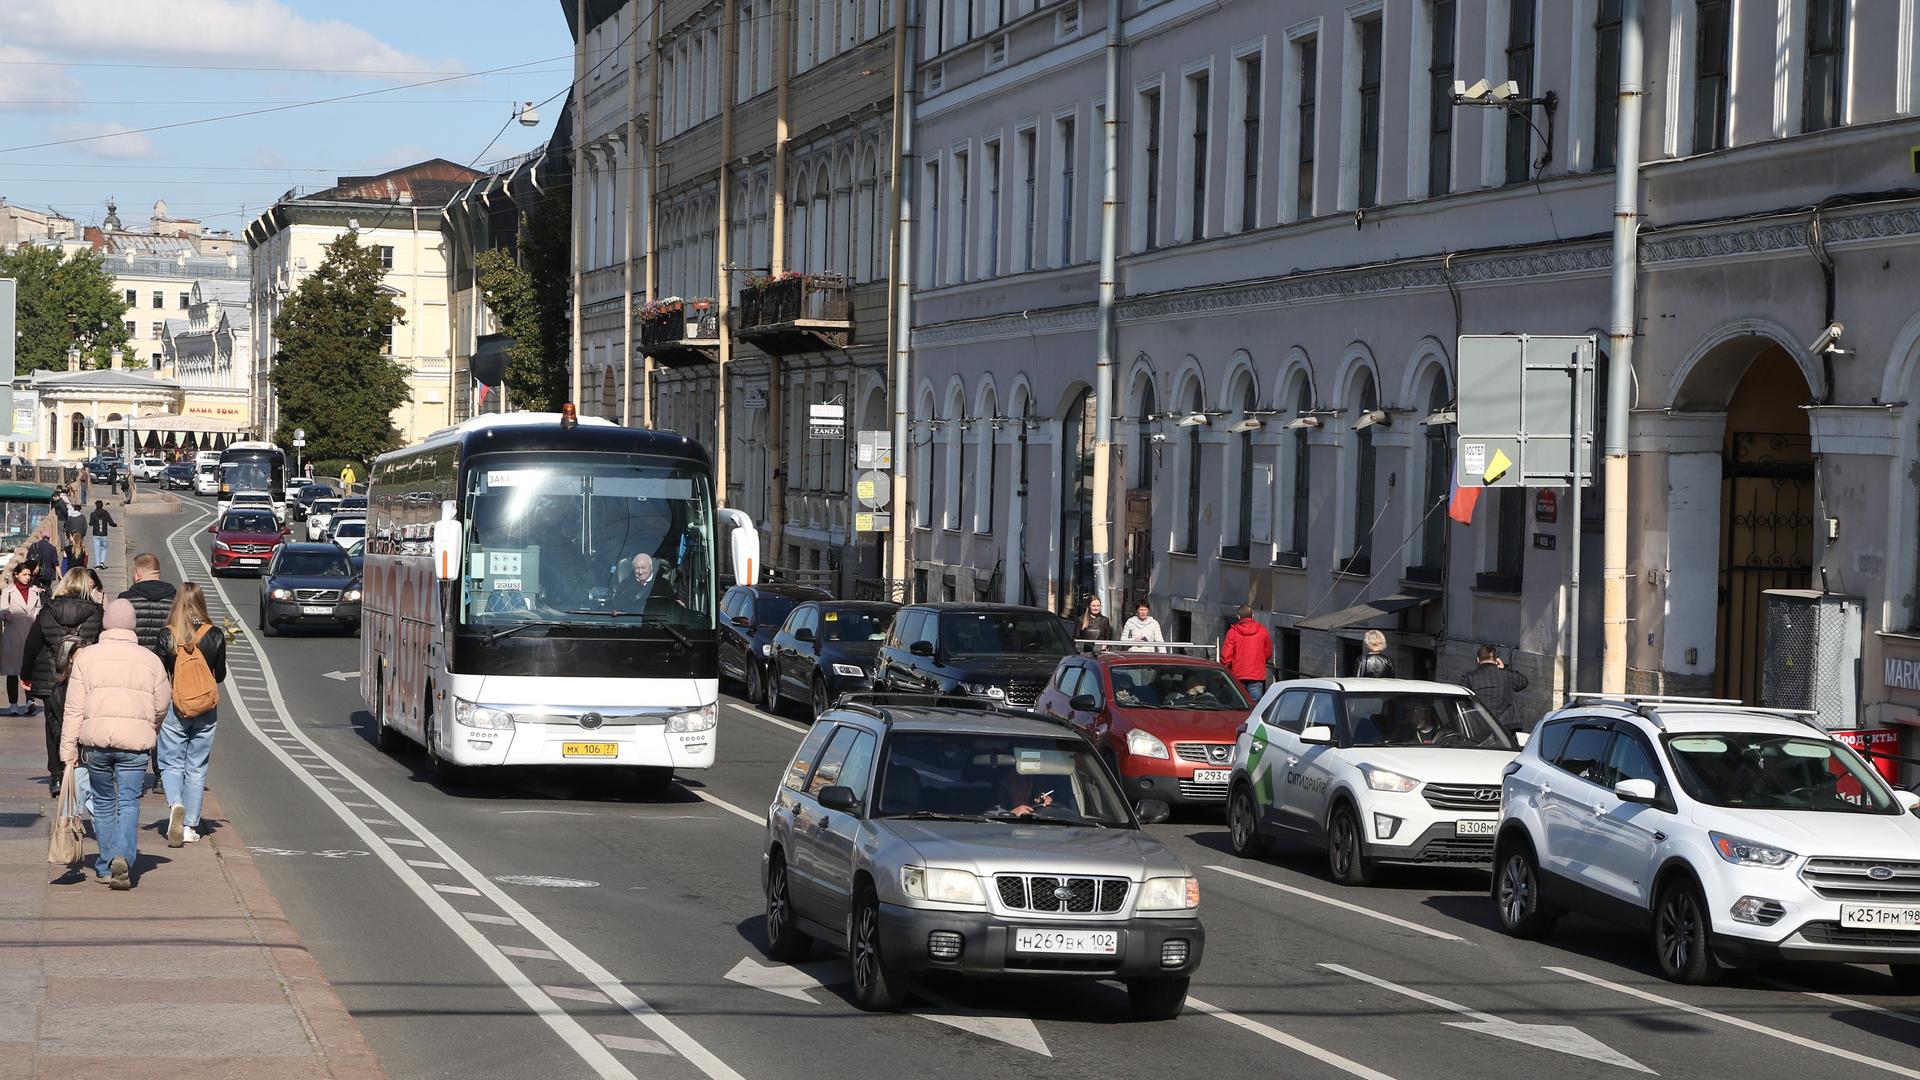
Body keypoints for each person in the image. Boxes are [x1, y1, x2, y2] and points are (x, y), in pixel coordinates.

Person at [60, 599, 170, 890]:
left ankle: (106, 863)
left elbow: (74, 708)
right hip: (135, 744)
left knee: (104, 802)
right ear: (132, 625)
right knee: (129, 802)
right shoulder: (150, 660)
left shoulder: (86, 657)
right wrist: (150, 727)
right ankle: (124, 855)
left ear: (105, 624)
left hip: (96, 742)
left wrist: (68, 749)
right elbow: (162, 704)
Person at [21, 567, 105, 797]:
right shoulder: (97, 612)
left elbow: (32, 644)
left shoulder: (48, 609)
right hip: (83, 674)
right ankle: (78, 768)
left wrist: (25, 675)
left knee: (52, 723)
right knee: (80, 720)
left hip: (51, 674)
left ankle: (57, 776)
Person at [157, 582, 227, 847]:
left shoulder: (167, 634)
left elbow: (161, 672)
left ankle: (176, 804)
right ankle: (190, 827)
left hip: (177, 706)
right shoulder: (215, 634)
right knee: (196, 767)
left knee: (171, 762)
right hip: (206, 708)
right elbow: (219, 675)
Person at [1, 559, 42, 715]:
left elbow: (38, 609)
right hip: (13, 634)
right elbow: (2, 609)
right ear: (16, 575)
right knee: (12, 671)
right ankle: (13, 704)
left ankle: (30, 700)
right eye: (25, 574)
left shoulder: (34, 591)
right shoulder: (8, 592)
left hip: (30, 633)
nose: (28, 577)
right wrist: (5, 614)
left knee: (28, 669)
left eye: (29, 575)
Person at [1461, 644, 1530, 735]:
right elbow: (1523, 682)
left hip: (1479, 728)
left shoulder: (1469, 677)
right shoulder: (1507, 675)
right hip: (1506, 729)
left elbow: (1462, 700)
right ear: (1496, 659)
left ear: (1478, 659)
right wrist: (1504, 668)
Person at [119, 554, 178, 659]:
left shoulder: (126, 599)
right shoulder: (176, 599)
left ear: (138, 574)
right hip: (165, 662)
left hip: (134, 659)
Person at [1220, 604, 1274, 700]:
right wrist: (1260, 662)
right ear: (1253, 616)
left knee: (1238, 704)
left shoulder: (1232, 632)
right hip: (1256, 674)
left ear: (1238, 617)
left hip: (1237, 673)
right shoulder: (1262, 631)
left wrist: (1225, 669)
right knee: (1255, 706)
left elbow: (1226, 655)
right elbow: (1268, 651)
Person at [610, 552, 679, 610]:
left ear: (651, 567)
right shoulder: (624, 585)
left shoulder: (664, 585)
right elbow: (616, 608)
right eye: (637, 568)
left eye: (643, 568)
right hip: (631, 622)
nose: (640, 572)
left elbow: (671, 608)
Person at [88, 500, 118, 569]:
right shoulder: (106, 513)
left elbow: (91, 523)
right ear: (102, 505)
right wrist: (115, 525)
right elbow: (111, 523)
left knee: (96, 549)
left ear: (96, 505)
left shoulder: (93, 514)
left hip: (96, 534)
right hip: (104, 534)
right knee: (104, 548)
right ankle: (102, 562)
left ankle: (97, 564)